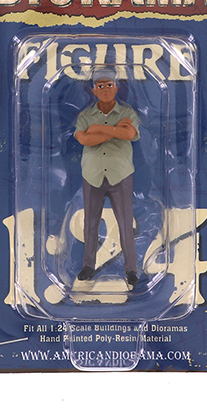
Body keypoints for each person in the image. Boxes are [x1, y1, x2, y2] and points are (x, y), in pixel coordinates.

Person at [74, 67, 140, 287]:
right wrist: (114, 130)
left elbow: (128, 134)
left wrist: (98, 129)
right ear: (93, 90)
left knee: (125, 223)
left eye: (109, 85)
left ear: (116, 87)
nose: (105, 89)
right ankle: (88, 266)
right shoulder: (86, 116)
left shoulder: (127, 113)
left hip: (120, 174)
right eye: (100, 85)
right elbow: (84, 139)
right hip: (92, 174)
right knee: (90, 223)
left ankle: (131, 270)